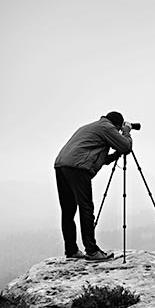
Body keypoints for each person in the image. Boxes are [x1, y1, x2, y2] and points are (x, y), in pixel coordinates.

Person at [54, 111, 133, 261]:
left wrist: (116, 154)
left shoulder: (92, 127)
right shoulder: (107, 128)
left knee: (68, 210)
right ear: (117, 126)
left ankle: (71, 250)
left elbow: (101, 158)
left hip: (61, 165)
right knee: (86, 208)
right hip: (78, 168)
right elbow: (126, 146)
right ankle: (92, 251)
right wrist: (127, 132)